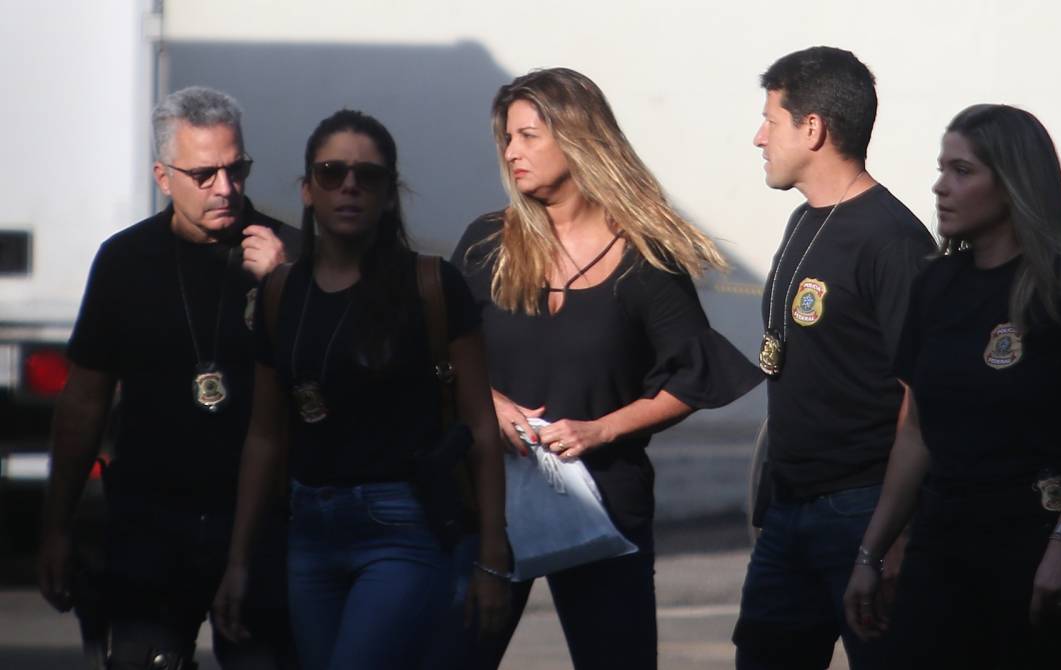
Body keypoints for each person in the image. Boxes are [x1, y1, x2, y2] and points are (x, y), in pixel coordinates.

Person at [452, 67, 761, 669]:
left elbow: (694, 375)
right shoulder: (487, 242)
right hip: (488, 502)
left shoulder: (643, 256)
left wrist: (603, 429)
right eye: (507, 139)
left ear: (577, 137)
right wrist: (487, 400)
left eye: (529, 136)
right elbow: (437, 353)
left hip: (605, 505)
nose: (512, 153)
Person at [211, 109, 510, 669]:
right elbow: (265, 436)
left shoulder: (430, 285)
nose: (349, 186)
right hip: (311, 529)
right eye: (331, 172)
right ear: (307, 190)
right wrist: (240, 560)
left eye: (367, 176)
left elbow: (481, 428)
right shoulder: (281, 293)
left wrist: (492, 556)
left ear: (389, 195)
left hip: (403, 525)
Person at [843, 104, 1061, 669]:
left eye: (962, 171)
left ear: (1013, 183)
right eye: (941, 168)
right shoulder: (936, 285)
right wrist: (871, 554)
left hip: (1036, 547)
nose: (940, 186)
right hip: (945, 546)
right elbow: (917, 433)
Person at [38, 86, 297, 669]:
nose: (225, 189)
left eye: (237, 170)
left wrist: (283, 287)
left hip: (259, 526)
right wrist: (56, 527)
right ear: (163, 176)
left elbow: (319, 385)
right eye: (203, 175)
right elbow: (84, 401)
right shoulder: (126, 261)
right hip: (151, 522)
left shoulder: (284, 255)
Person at [732, 47, 935, 670]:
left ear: (813, 128)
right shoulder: (803, 221)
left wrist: (889, 540)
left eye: (772, 119)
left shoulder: (893, 241)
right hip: (789, 509)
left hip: (862, 512)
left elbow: (921, 399)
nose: (758, 136)